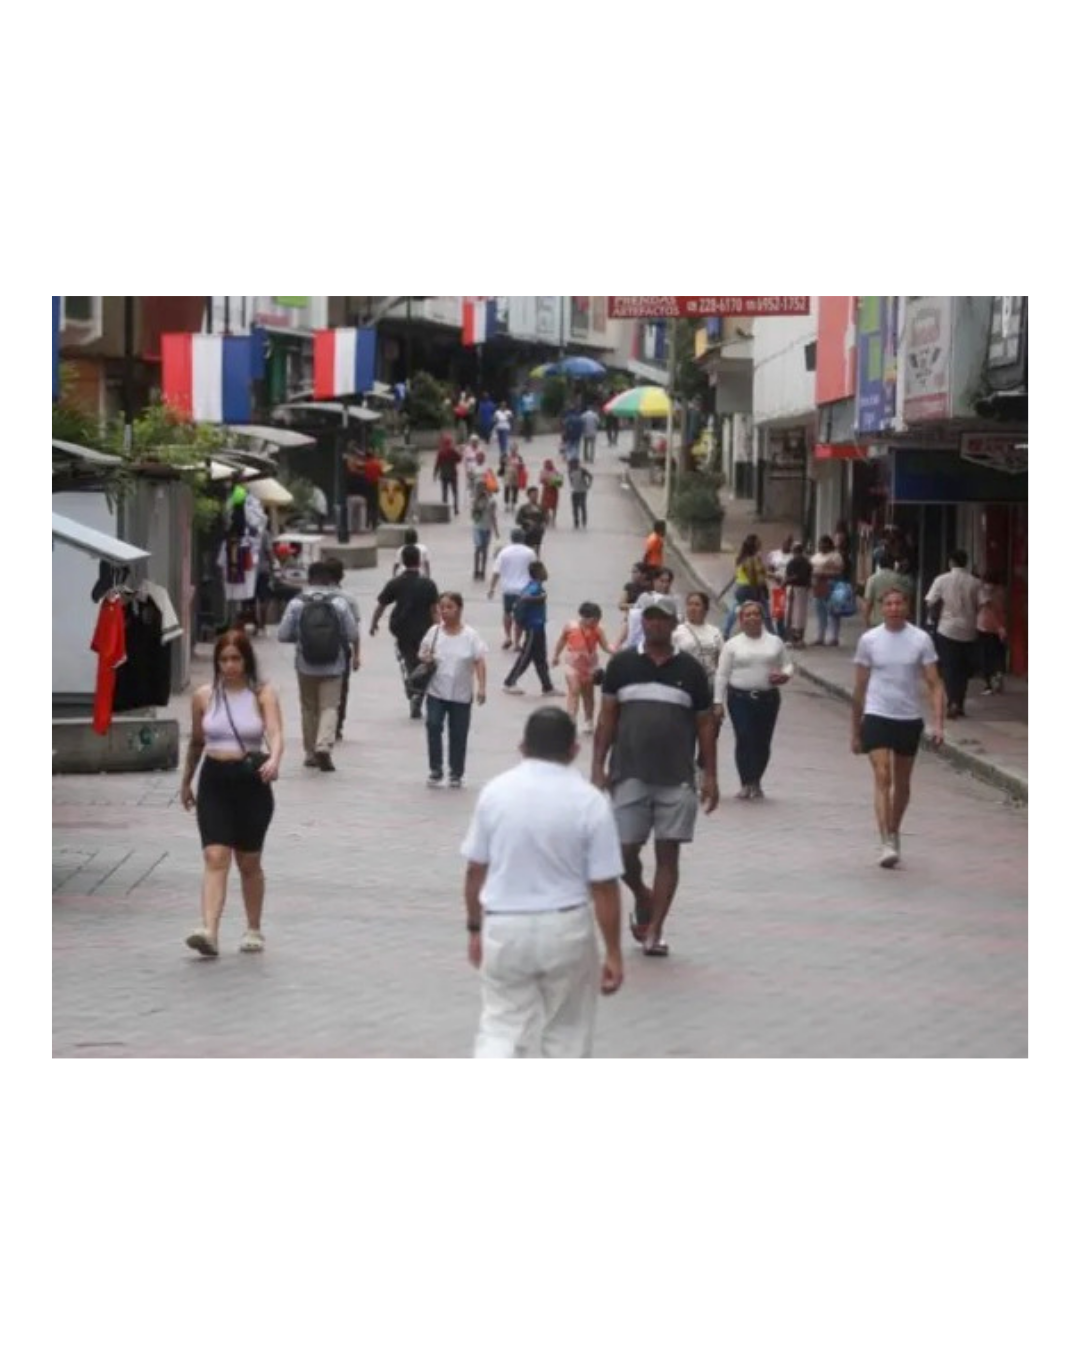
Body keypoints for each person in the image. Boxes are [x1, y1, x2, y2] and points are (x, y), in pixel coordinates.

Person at [461, 707, 624, 1057]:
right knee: (567, 1032)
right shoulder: (590, 802)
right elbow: (604, 886)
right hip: (566, 926)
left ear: (522, 746)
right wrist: (613, 951)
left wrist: (475, 927)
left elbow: (475, 869)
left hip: (505, 925)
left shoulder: (495, 793)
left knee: (502, 1026)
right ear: (573, 750)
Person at [592, 595, 718, 958]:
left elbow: (705, 725)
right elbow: (607, 718)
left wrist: (710, 774)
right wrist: (598, 766)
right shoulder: (622, 665)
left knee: (668, 853)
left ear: (674, 624)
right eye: (649, 618)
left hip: (676, 777)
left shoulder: (691, 671)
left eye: (662, 618)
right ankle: (642, 894)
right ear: (641, 622)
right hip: (629, 772)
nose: (655, 624)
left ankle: (655, 930)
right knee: (622, 851)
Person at [180, 629, 284, 958]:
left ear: (246, 660)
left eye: (236, 658)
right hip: (214, 780)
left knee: (248, 861)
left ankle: (253, 927)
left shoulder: (261, 693)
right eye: (223, 659)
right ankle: (209, 931)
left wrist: (275, 759)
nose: (229, 666)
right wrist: (186, 782)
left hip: (251, 781)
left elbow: (276, 732)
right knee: (215, 856)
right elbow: (197, 742)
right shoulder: (203, 696)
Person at [852, 586, 945, 867]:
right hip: (877, 713)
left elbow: (934, 683)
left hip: (908, 717)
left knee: (902, 783)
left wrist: (938, 723)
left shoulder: (921, 639)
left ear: (907, 607)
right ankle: (886, 842)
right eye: (889, 603)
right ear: (882, 608)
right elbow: (860, 687)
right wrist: (855, 731)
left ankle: (894, 830)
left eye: (898, 603)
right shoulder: (869, 640)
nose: (894, 608)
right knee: (883, 776)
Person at [277, 560, 358, 773]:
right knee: (330, 706)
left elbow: (283, 634)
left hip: (306, 664)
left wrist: (301, 638)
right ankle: (323, 745)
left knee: (309, 708)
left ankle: (310, 753)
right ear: (329, 579)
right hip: (334, 664)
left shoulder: (297, 603)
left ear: (309, 578)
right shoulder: (340, 603)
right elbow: (352, 634)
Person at [713, 599, 793, 800]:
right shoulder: (732, 645)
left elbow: (788, 665)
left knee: (762, 741)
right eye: (747, 615)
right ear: (741, 620)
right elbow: (722, 674)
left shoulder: (774, 642)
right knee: (744, 736)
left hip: (768, 699)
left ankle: (756, 780)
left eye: (756, 614)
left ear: (762, 618)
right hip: (739, 698)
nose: (752, 618)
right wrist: (718, 701)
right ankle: (745, 782)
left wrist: (785, 675)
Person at [418, 592, 487, 788]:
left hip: (461, 694)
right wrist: (426, 657)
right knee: (433, 725)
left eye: (450, 607)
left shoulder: (471, 636)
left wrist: (482, 687)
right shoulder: (434, 632)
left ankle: (456, 772)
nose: (445, 611)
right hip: (436, 691)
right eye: (442, 607)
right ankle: (436, 769)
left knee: (458, 733)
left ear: (459, 609)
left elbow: (479, 661)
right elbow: (422, 652)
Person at [370, 543, 440, 719]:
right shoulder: (428, 584)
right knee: (426, 663)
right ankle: (418, 693)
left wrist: (374, 623)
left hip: (402, 629)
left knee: (409, 660)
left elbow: (381, 605)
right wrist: (439, 629)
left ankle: (412, 686)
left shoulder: (395, 583)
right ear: (419, 560)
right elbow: (434, 610)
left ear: (402, 561)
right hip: (424, 628)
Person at [925, 549, 982, 719]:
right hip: (969, 630)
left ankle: (952, 702)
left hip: (947, 629)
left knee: (949, 668)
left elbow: (930, 601)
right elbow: (982, 604)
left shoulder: (941, 580)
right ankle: (960, 702)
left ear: (950, 562)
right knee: (963, 669)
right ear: (966, 563)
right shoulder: (975, 582)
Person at [552, 602, 613, 735]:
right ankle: (571, 721)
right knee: (574, 690)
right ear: (585, 618)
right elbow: (562, 640)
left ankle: (588, 720)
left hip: (590, 666)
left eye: (598, 620)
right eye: (594, 620)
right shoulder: (570, 627)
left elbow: (605, 645)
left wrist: (615, 651)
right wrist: (556, 656)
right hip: (572, 664)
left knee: (588, 695)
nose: (596, 623)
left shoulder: (598, 630)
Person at [503, 561, 557, 697]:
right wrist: (540, 598)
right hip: (533, 627)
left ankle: (547, 687)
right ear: (538, 573)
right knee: (525, 656)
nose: (546, 572)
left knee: (540, 658)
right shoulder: (534, 587)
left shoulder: (536, 586)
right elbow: (524, 598)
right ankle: (510, 683)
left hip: (539, 627)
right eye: (543, 570)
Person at [323, 556, 362, 743]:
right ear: (342, 576)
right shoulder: (348, 598)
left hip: (314, 651)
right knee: (341, 688)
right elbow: (354, 630)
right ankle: (337, 726)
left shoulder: (311, 596)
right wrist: (357, 655)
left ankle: (321, 723)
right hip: (340, 649)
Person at [488, 527, 537, 652]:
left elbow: (496, 572)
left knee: (507, 612)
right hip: (524, 590)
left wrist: (492, 588)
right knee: (519, 617)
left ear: (511, 538)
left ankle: (507, 636)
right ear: (523, 538)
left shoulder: (504, 552)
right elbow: (535, 571)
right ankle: (517, 642)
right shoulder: (530, 553)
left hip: (508, 589)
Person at [618, 566, 678, 650]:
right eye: (661, 581)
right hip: (640, 643)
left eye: (667, 581)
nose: (665, 585)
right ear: (654, 581)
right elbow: (631, 620)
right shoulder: (645, 597)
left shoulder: (673, 601)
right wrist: (619, 643)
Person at [722, 534, 770, 639]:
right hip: (750, 588)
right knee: (765, 612)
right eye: (758, 542)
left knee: (735, 609)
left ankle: (726, 631)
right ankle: (772, 633)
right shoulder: (752, 559)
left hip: (741, 588)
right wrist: (758, 589)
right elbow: (754, 576)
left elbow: (737, 574)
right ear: (754, 545)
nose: (761, 544)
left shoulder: (741, 558)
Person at [673, 591, 724, 682]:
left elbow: (721, 658)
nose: (692, 608)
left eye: (697, 605)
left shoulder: (715, 632)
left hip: (709, 680)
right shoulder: (676, 631)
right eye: (690, 604)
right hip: (685, 679)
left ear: (705, 609)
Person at [976, 571, 1009, 695]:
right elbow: (1003, 609)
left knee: (986, 656)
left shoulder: (983, 591)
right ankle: (998, 675)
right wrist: (1001, 626)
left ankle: (989, 685)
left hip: (985, 627)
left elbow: (988, 609)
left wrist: (998, 626)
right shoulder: (1002, 591)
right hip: (1000, 628)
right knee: (998, 654)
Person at [810, 534, 846, 646]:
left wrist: (824, 573)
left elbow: (840, 572)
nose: (821, 546)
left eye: (823, 544)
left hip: (831, 586)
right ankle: (820, 637)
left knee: (833, 612)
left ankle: (833, 637)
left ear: (828, 545)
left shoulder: (836, 556)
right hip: (818, 587)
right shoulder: (816, 556)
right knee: (820, 613)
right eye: (820, 544)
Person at [863, 556, 914, 628]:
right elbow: (907, 599)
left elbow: (868, 603)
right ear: (892, 564)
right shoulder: (900, 578)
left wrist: (866, 620)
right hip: (897, 621)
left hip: (877, 622)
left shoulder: (872, 579)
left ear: (879, 565)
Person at [784, 543, 812, 649]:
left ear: (794, 551)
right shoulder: (807, 562)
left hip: (794, 588)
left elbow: (795, 576)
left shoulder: (793, 562)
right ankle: (800, 639)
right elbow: (808, 577)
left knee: (792, 614)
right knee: (801, 614)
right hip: (803, 589)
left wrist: (785, 582)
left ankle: (792, 639)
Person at [470, 482, 500, 581]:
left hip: (487, 528)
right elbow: (473, 516)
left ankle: (483, 570)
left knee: (485, 549)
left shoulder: (492, 502)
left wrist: (496, 531)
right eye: (479, 489)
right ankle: (476, 570)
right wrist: (478, 504)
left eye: (483, 488)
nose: (482, 491)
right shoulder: (475, 501)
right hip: (478, 528)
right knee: (478, 548)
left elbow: (493, 516)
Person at [433, 432, 462, 516]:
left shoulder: (441, 452)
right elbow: (459, 459)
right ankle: (456, 509)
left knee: (444, 493)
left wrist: (434, 474)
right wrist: (460, 452)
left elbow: (437, 464)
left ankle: (444, 510)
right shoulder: (453, 451)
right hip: (453, 474)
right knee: (455, 492)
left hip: (444, 475)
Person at [516, 486, 547, 557]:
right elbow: (518, 520)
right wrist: (527, 521)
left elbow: (545, 519)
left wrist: (543, 524)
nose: (535, 496)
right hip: (526, 533)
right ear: (528, 495)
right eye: (533, 494)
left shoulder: (541, 507)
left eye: (536, 494)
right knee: (526, 552)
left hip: (537, 533)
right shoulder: (524, 508)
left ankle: (535, 561)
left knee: (536, 552)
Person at [567, 459, 594, 529]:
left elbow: (590, 476)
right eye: (570, 465)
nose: (571, 466)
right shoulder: (570, 471)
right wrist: (572, 485)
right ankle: (576, 521)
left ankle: (584, 521)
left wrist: (588, 485)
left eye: (572, 464)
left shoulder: (582, 470)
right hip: (575, 491)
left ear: (577, 464)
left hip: (582, 491)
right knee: (575, 507)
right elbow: (571, 480)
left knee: (582, 506)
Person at [503, 443, 526, 514]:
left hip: (516, 475)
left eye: (514, 449)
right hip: (508, 474)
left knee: (515, 490)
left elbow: (522, 466)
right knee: (507, 489)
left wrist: (520, 465)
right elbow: (502, 464)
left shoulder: (519, 457)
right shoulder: (507, 456)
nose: (513, 451)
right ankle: (506, 504)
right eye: (512, 449)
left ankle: (513, 504)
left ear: (516, 450)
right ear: (510, 450)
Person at [539, 459, 563, 527]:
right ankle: (547, 518)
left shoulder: (555, 472)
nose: (547, 465)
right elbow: (541, 480)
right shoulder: (543, 471)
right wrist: (547, 481)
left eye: (549, 464)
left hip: (553, 491)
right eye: (546, 464)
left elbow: (560, 483)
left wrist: (553, 482)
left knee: (554, 506)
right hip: (546, 490)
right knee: (545, 506)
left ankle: (553, 519)